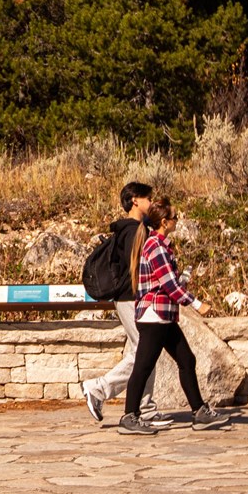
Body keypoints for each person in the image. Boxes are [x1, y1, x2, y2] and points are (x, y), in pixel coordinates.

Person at [118, 199, 229, 435]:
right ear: (165, 222)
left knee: (186, 359)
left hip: (164, 316)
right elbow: (169, 286)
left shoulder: (162, 246)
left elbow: (167, 283)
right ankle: (129, 416)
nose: (178, 220)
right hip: (153, 316)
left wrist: (184, 279)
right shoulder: (156, 246)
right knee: (143, 366)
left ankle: (199, 412)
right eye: (175, 217)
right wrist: (197, 304)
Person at [81, 182, 168, 428]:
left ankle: (145, 409)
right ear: (135, 201)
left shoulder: (138, 229)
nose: (152, 202)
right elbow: (141, 268)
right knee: (144, 351)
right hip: (132, 297)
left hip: (133, 298)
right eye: (148, 198)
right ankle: (97, 389)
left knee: (140, 352)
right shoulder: (133, 231)